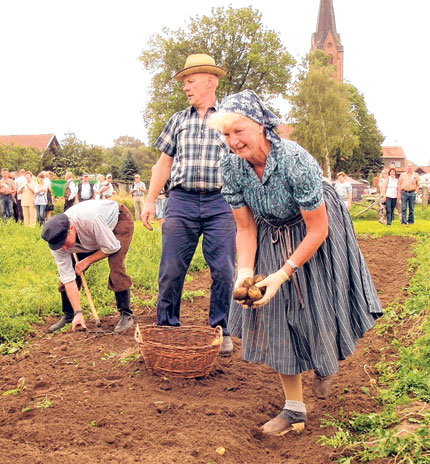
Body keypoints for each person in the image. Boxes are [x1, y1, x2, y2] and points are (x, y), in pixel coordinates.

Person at [210, 90, 382, 436]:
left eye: (239, 131)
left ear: (260, 126)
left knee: (317, 302)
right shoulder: (228, 165)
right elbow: (245, 226)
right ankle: (294, 410)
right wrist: (246, 272)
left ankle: (325, 361)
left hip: (315, 227)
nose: (232, 141)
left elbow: (317, 228)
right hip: (270, 229)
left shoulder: (294, 160)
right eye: (226, 134)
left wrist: (284, 273)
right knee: (275, 312)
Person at [140, 53, 236, 356]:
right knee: (170, 269)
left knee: (223, 270)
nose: (185, 87)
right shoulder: (178, 120)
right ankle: (166, 328)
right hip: (180, 201)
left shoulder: (230, 120)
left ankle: (221, 329)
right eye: (184, 82)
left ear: (210, 81)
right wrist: (149, 200)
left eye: (190, 81)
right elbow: (163, 163)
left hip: (221, 203)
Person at [41, 200, 135, 334]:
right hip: (88, 235)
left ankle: (126, 314)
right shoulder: (57, 242)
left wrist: (86, 261)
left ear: (71, 229)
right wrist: (78, 312)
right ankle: (70, 315)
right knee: (71, 271)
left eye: (64, 243)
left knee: (116, 264)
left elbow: (112, 246)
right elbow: (68, 277)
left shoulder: (89, 220)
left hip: (117, 222)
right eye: (59, 246)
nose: (63, 248)